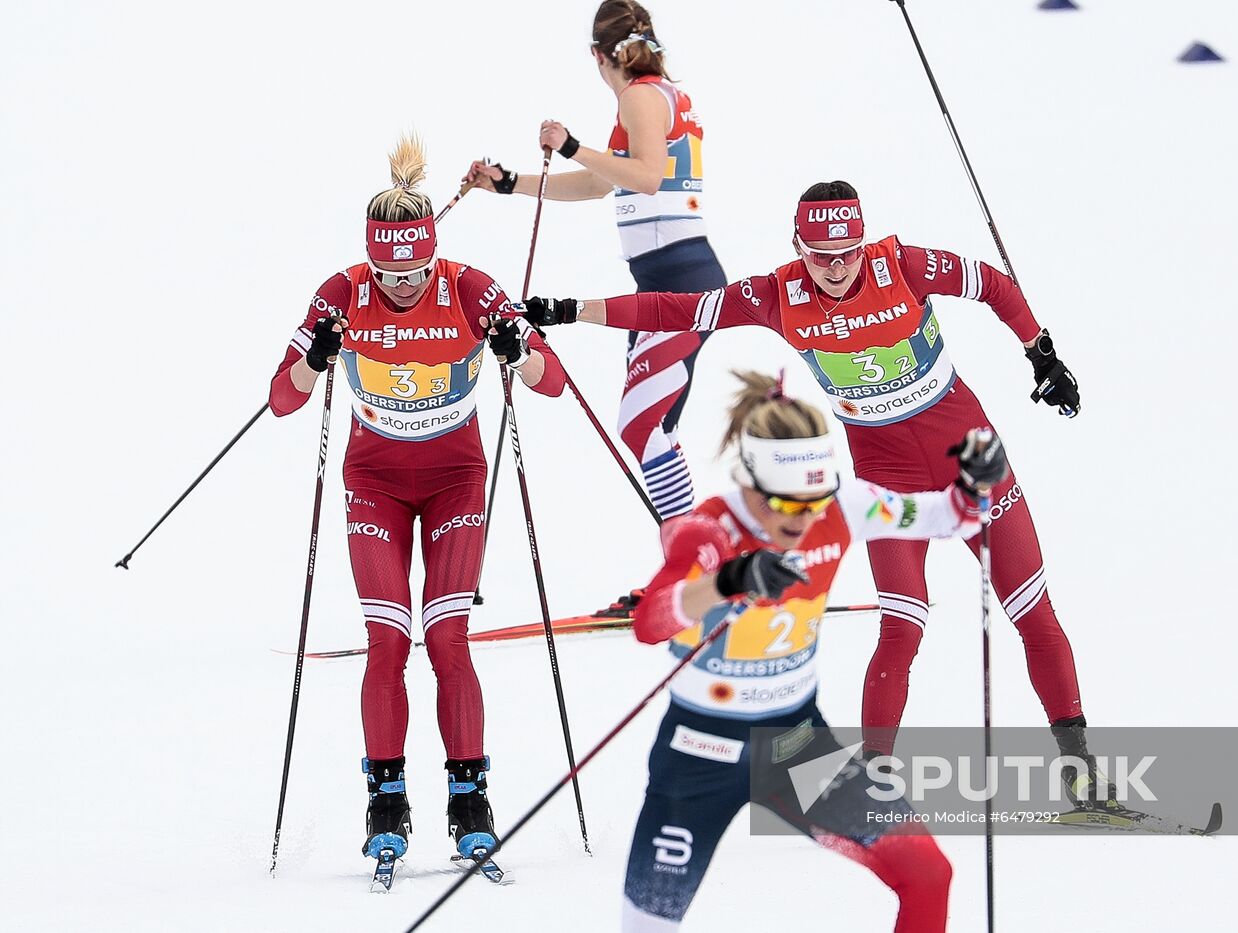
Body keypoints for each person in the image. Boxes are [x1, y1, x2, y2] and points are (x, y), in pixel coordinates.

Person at [520, 181, 1117, 805]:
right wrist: (572, 309)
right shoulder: (777, 293)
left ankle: (1079, 770)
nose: (835, 269)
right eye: (820, 255)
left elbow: (992, 283)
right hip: (886, 472)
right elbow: (680, 311)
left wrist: (1040, 353)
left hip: (969, 454)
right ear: (798, 247)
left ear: (863, 243)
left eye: (848, 253)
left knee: (1032, 611)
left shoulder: (905, 265)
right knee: (903, 626)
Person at [266, 134, 565, 870]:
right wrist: (313, 360)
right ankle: (386, 801)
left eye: (416, 269)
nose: (403, 284)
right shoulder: (342, 292)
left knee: (448, 636)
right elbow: (279, 401)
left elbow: (551, 381)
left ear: (436, 253)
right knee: (388, 641)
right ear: (371, 260)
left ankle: (470, 800)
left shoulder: (469, 288)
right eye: (389, 271)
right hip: (374, 484)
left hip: (457, 479)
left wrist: (514, 346)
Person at [620, 370, 1006, 932]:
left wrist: (973, 485)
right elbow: (650, 622)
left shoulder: (843, 507)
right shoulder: (709, 529)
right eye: (785, 504)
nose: (803, 520)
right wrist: (728, 581)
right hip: (699, 753)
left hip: (796, 747)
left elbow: (950, 517)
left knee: (928, 874)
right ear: (749, 480)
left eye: (814, 502)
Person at [461, 0, 725, 541]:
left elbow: (647, 177)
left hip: (679, 283)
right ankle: (692, 561)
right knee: (655, 428)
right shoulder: (654, 97)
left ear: (598, 55)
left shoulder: (640, 97)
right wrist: (511, 183)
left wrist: (574, 144)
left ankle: (693, 564)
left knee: (643, 425)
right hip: (667, 278)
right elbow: (601, 183)